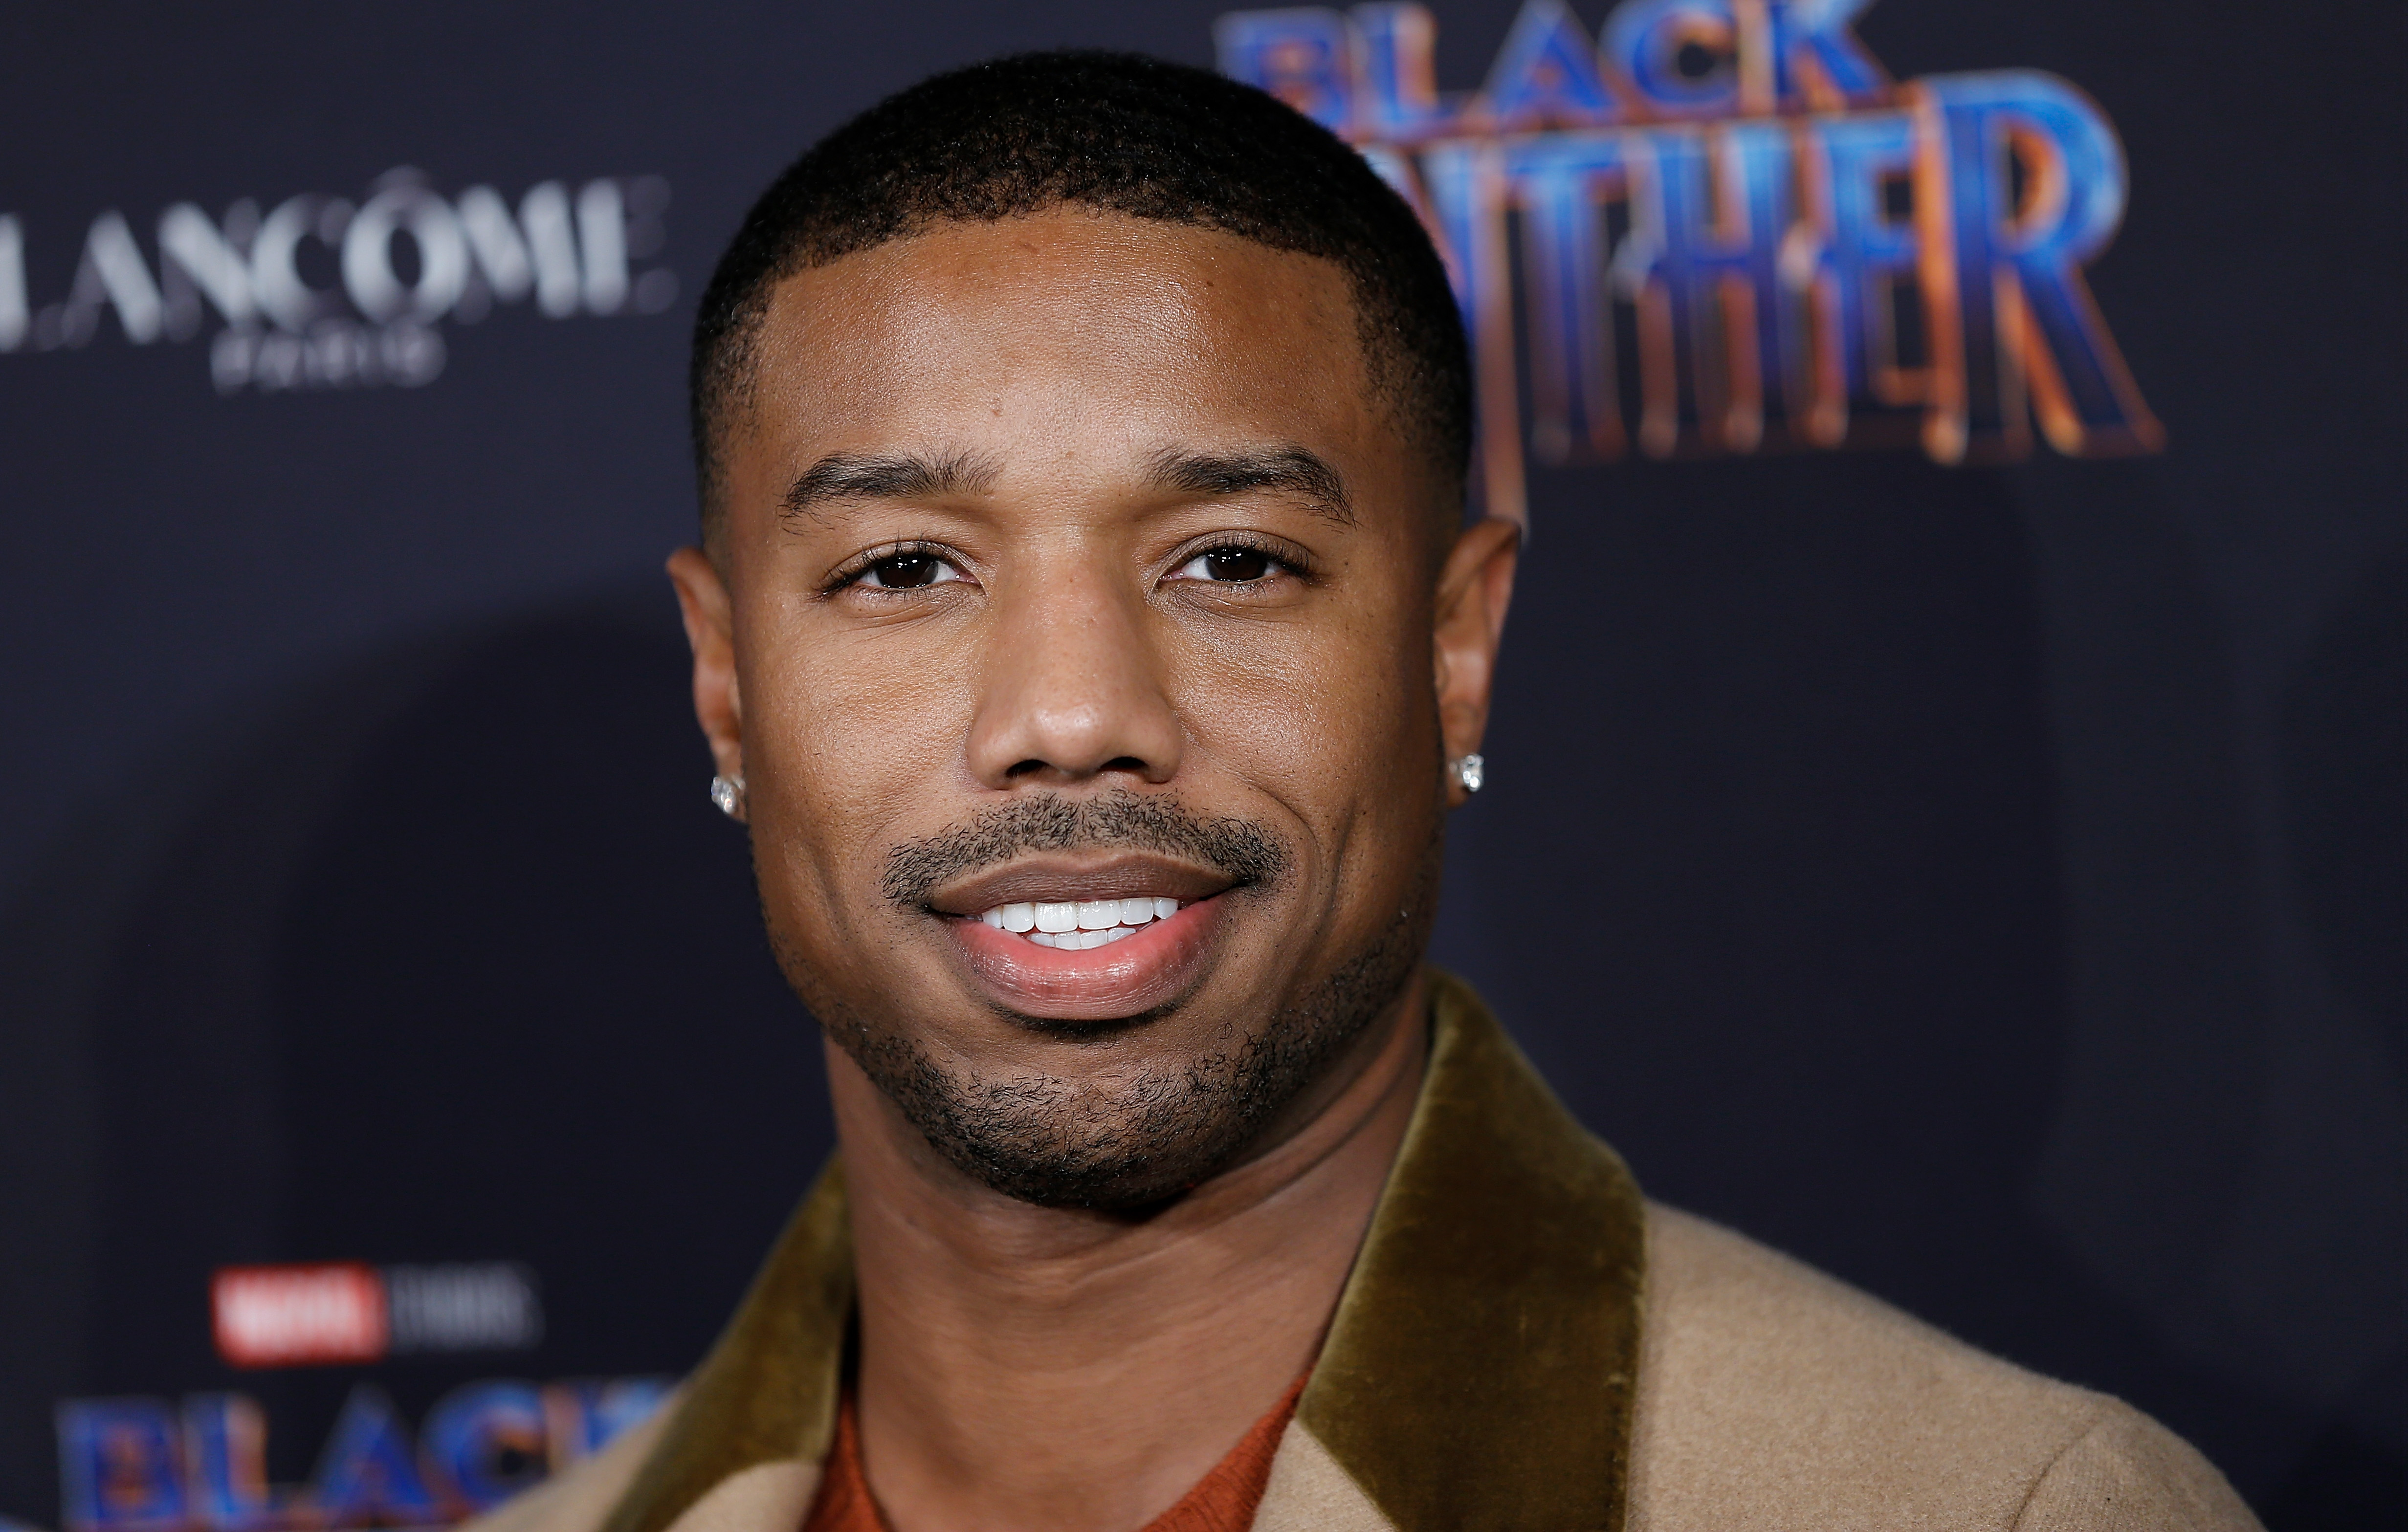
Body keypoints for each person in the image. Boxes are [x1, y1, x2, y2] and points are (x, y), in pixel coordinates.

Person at [473, 50, 2259, 1532]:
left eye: (1233, 560)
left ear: (1455, 646)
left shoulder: (1990, 1512)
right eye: (904, 572)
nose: (1073, 713)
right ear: (726, 689)